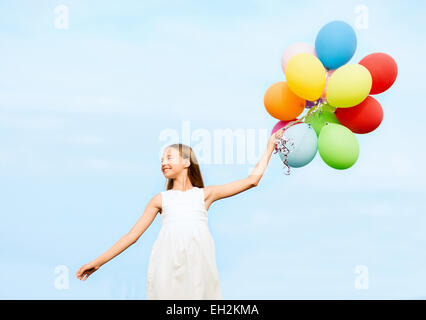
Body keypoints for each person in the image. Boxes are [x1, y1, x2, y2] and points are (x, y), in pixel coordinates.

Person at [76, 128, 285, 299]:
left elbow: (252, 181)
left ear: (186, 162)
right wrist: (98, 262)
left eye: (169, 157)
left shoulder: (205, 195)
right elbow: (132, 236)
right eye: (161, 159)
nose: (163, 162)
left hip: (198, 269)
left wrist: (269, 149)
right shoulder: (160, 200)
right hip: (166, 269)